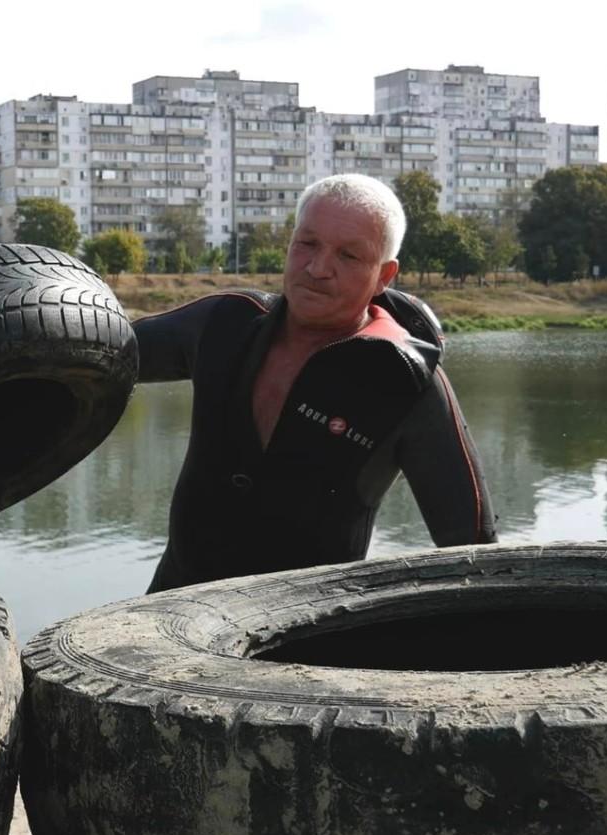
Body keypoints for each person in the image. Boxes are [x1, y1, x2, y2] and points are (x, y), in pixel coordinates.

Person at [135, 173, 497, 592]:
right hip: (171, 612)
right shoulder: (223, 323)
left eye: (348, 256)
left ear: (385, 275)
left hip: (310, 635)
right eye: (307, 243)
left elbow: (475, 550)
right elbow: (97, 351)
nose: (318, 268)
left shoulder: (409, 383)